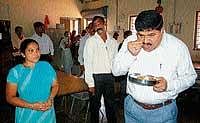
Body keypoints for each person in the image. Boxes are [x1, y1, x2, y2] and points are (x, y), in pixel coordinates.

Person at [112, 10, 197, 123]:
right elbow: (116, 72)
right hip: (133, 109)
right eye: (141, 35)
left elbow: (190, 77)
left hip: (163, 112)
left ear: (162, 31)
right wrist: (130, 55)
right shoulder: (130, 41)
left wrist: (169, 85)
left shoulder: (177, 47)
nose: (146, 41)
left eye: (151, 35)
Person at [6, 39, 59, 122]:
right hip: (27, 114)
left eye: (37, 49)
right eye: (31, 50)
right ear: (23, 54)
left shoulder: (46, 66)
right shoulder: (16, 72)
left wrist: (50, 98)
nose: (36, 53)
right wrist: (32, 106)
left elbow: (55, 85)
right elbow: (10, 98)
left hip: (47, 112)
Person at [83, 16, 118, 123]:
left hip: (109, 77)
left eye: (99, 23)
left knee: (111, 105)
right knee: (95, 106)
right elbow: (87, 63)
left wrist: (114, 77)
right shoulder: (91, 41)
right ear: (93, 27)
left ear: (104, 24)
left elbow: (115, 61)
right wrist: (90, 84)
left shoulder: (113, 42)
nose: (98, 26)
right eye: (95, 25)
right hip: (96, 77)